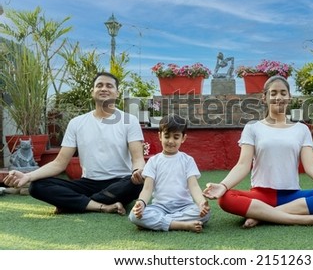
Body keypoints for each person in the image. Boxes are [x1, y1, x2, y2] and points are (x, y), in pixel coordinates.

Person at [203, 75, 313, 228]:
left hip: (292, 197)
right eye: (273, 93)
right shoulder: (253, 127)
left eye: (282, 93)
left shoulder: (301, 129)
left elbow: (312, 168)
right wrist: (223, 186)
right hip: (261, 195)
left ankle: (262, 216)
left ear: (289, 97)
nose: (278, 97)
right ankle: (302, 220)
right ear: (264, 98)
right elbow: (243, 165)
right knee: (225, 198)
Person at [4, 72, 146, 215]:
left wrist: (137, 172)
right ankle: (101, 206)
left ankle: (74, 204)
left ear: (117, 93)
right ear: (92, 92)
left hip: (120, 182)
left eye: (109, 86)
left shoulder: (129, 120)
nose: (104, 89)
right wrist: (27, 176)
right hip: (88, 183)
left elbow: (137, 158)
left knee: (136, 185)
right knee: (37, 186)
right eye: (99, 85)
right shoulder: (77, 123)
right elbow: (59, 163)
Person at [129, 114, 211, 233]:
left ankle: (156, 223)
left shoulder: (188, 160)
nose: (171, 141)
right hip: (160, 207)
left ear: (183, 138)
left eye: (176, 137)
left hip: (184, 206)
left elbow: (194, 186)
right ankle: (181, 225)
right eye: (167, 136)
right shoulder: (153, 161)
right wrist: (141, 204)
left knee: (205, 214)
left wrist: (201, 203)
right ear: (160, 136)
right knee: (134, 215)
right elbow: (147, 189)